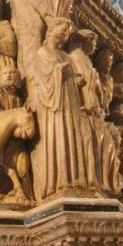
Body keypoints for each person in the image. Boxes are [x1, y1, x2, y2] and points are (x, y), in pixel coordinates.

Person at [31, 18, 94, 201]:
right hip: (54, 106)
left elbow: (74, 75)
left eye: (67, 33)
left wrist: (76, 80)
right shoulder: (43, 52)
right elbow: (43, 78)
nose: (65, 35)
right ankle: (58, 181)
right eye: (62, 30)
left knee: (72, 134)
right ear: (51, 31)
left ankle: (74, 178)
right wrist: (58, 70)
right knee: (58, 135)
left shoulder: (67, 56)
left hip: (70, 100)